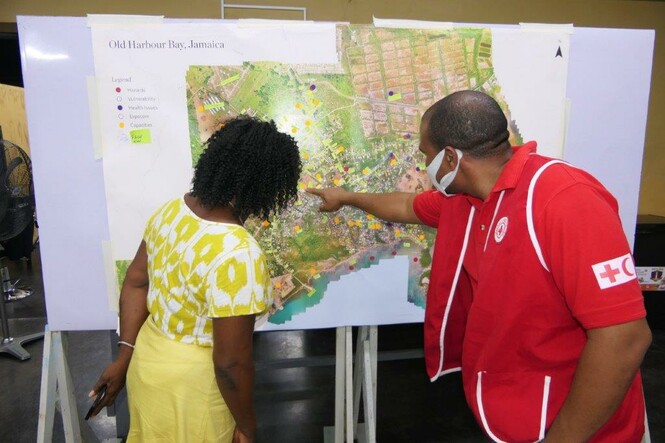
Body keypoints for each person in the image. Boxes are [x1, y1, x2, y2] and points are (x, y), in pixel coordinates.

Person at [307, 91, 652, 442]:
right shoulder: (466, 200)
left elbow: (623, 338)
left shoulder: (564, 200)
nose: (425, 166)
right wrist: (348, 198)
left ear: (451, 158)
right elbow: (407, 206)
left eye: (426, 155)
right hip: (513, 413)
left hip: (576, 429)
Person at [89, 116, 302, 443]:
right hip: (194, 390)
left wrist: (124, 355)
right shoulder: (238, 253)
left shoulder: (172, 210)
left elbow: (135, 282)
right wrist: (246, 425)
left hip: (148, 367)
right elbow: (230, 363)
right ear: (263, 183)